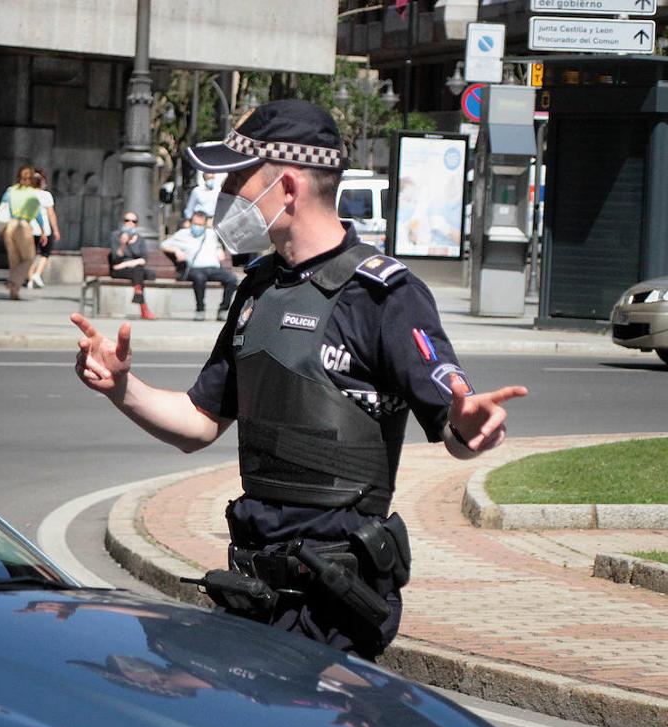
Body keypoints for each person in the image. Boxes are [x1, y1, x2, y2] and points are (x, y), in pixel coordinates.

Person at [72, 99, 528, 661]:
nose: (225, 197)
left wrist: (466, 426)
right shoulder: (257, 288)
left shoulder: (384, 295)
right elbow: (198, 422)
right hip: (253, 585)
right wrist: (122, 387)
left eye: (237, 179)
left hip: (335, 597)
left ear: (285, 188)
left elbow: (454, 419)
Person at [160, 211, 239, 321]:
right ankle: (200, 309)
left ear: (205, 224)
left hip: (213, 268)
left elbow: (217, 246)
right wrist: (176, 250)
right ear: (190, 223)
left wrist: (219, 250)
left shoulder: (211, 234)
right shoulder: (183, 234)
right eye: (195, 224)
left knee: (232, 279)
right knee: (199, 278)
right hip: (195, 269)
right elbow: (163, 245)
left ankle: (223, 309)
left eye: (200, 225)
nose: (197, 227)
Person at [0, 165, 42, 301]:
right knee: (29, 258)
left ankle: (14, 292)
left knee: (14, 260)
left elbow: (3, 207)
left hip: (9, 225)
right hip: (23, 226)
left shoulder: (10, 191)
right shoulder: (33, 193)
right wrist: (44, 231)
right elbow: (38, 215)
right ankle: (13, 280)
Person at [109, 210, 157, 320]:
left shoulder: (139, 239)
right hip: (120, 270)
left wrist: (126, 263)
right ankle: (144, 308)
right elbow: (116, 258)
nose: (130, 223)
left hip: (130, 268)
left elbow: (143, 259)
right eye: (127, 220)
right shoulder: (116, 236)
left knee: (140, 270)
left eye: (133, 221)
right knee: (139, 271)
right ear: (123, 222)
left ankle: (138, 293)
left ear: (137, 224)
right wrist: (123, 244)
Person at [25, 168, 61, 290]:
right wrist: (55, 230)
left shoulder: (27, 194)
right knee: (45, 254)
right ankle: (37, 274)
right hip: (44, 229)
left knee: (31, 255)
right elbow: (51, 214)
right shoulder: (46, 195)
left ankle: (30, 280)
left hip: (29, 229)